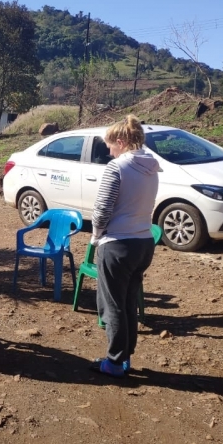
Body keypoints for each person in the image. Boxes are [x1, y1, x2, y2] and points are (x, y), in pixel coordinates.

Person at [89, 115, 160, 378]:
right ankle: (125, 356)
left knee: (113, 305)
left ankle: (114, 362)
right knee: (128, 302)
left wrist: (96, 235)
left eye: (110, 145)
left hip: (118, 244)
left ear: (120, 142)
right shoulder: (151, 167)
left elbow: (102, 209)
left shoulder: (117, 167)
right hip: (143, 243)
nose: (109, 151)